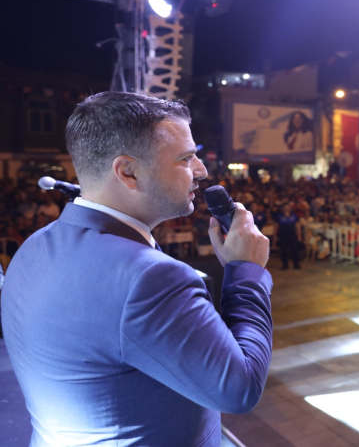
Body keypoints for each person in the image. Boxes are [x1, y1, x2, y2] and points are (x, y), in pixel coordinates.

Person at [0, 92, 273, 446]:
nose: (201, 171)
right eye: (186, 158)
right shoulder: (151, 279)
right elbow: (240, 388)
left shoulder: (33, 245)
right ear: (128, 172)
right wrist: (245, 272)